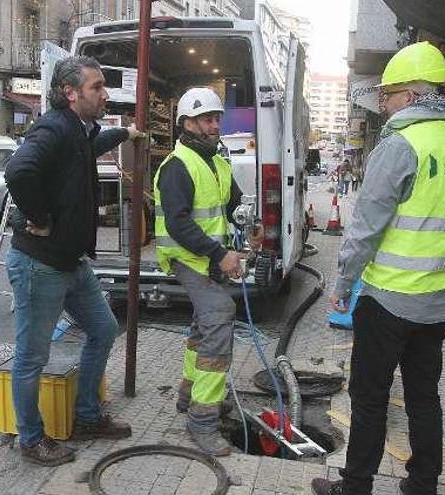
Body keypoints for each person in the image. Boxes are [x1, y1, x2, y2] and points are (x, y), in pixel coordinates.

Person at [311, 41, 445, 495]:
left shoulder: (400, 146)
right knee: (424, 396)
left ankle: (355, 487)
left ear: (410, 96)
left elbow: (366, 228)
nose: (382, 103)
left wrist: (344, 283)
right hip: (442, 304)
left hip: (389, 300)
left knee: (368, 399)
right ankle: (423, 483)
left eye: (388, 94)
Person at [4, 56, 143, 466]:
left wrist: (125, 132)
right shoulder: (54, 127)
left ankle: (85, 416)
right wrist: (40, 217)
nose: (105, 94)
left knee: (103, 328)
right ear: (70, 93)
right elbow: (19, 170)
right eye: (97, 87)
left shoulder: (79, 132)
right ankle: (31, 439)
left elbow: (91, 147)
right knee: (32, 357)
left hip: (70, 261)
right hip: (39, 264)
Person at [153, 87, 260, 456]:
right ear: (187, 123)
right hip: (188, 258)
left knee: (203, 325)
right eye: (206, 119)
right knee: (219, 317)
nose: (215, 125)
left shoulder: (217, 161)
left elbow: (231, 206)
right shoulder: (177, 166)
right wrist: (220, 254)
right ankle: (202, 419)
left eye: (216, 118)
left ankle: (189, 394)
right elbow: (180, 225)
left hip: (207, 258)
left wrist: (249, 230)